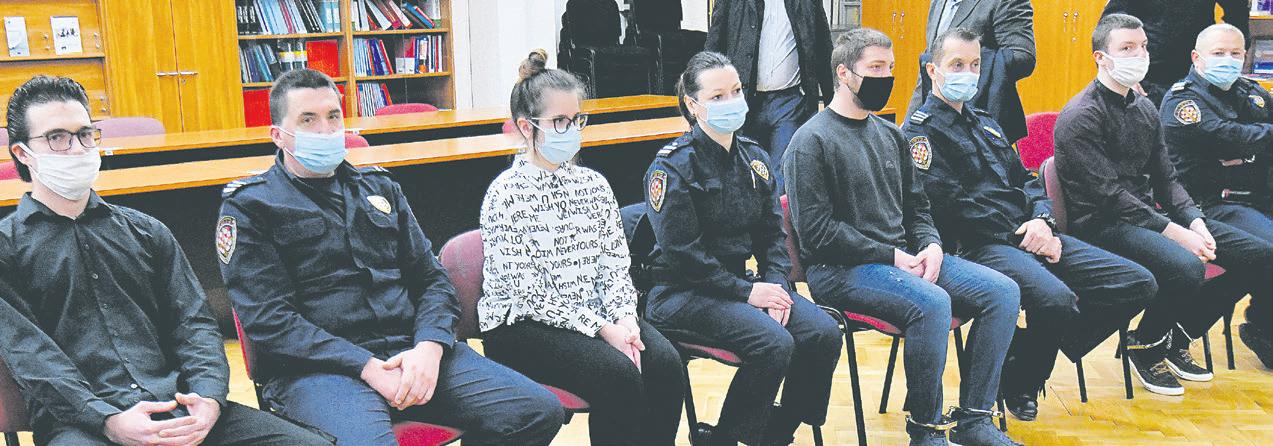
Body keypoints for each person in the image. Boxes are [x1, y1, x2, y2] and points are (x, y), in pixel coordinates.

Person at [217, 68, 564, 445]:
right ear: (278, 135)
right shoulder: (251, 207)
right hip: (320, 371)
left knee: (536, 411)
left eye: (333, 116)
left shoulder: (379, 187)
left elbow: (432, 279)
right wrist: (365, 366)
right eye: (308, 120)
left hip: (410, 348)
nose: (325, 130)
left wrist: (430, 346)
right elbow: (270, 320)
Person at [0, 75, 332, 446]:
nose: (77, 148)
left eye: (85, 134)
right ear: (23, 153)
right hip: (81, 424)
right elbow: (32, 357)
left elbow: (194, 323)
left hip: (179, 405)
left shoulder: (147, 231)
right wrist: (107, 419)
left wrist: (208, 398)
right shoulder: (6, 248)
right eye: (57, 138)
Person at [902, 27, 1157, 422]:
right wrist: (1023, 234)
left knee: (1137, 283)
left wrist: (1042, 220)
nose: (968, 73)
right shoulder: (920, 132)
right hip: (978, 246)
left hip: (1030, 232)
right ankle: (1024, 379)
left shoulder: (985, 121)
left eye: (975, 65)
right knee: (1056, 300)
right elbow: (950, 206)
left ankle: (1021, 359)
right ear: (933, 71)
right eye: (957, 65)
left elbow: (1027, 180)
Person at [784, 28, 1021, 446]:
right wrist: (891, 255)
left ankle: (974, 420)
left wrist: (931, 245)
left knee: (1003, 292)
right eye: (875, 68)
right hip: (840, 270)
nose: (886, 78)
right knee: (933, 302)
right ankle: (926, 431)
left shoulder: (891, 135)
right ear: (844, 73)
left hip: (904, 259)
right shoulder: (810, 142)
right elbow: (818, 234)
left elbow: (918, 208)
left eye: (890, 68)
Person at [1054, 14, 1273, 397]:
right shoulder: (1081, 115)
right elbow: (1109, 195)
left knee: (1257, 255)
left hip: (1147, 215)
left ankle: (1177, 335)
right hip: (1101, 223)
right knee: (1187, 265)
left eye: (1142, 46)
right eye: (1126, 48)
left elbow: (1167, 178)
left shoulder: (1144, 107)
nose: (1139, 55)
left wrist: (1195, 222)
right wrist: (1175, 231)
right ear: (1101, 57)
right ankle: (1146, 344)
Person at [478, 49, 686, 445]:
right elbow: (529, 294)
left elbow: (615, 266)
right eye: (559, 121)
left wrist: (625, 319)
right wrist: (603, 329)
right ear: (525, 126)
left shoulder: (594, 184)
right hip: (523, 326)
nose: (571, 129)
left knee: (665, 365)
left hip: (596, 315)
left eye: (576, 120)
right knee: (618, 375)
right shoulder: (505, 195)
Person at [643, 51, 842, 446]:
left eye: (736, 91)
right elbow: (683, 255)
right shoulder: (672, 167)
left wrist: (776, 286)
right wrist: (748, 292)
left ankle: (776, 430)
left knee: (822, 333)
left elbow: (773, 236)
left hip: (739, 285)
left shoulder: (755, 159)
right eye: (717, 97)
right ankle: (727, 439)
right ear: (692, 106)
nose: (731, 102)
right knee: (773, 343)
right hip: (681, 292)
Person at [1160, 23, 1273, 369]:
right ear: (1197, 58)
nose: (1228, 60)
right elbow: (1225, 135)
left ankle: (1262, 327)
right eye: (1219, 53)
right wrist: (1252, 143)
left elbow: (1246, 142)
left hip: (1254, 199)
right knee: (1264, 254)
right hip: (1203, 206)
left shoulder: (1253, 93)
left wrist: (1250, 144)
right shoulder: (1182, 100)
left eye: (1236, 53)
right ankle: (1183, 331)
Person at [705, 0, 834, 187]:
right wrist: (705, 100)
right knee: (746, 174)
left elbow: (823, 47)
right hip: (743, 102)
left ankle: (778, 205)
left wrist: (833, 105)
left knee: (781, 177)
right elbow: (714, 46)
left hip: (790, 104)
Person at [908, 0, 1035, 143]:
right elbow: (931, 65)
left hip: (983, 128)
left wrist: (967, 63)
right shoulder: (938, 2)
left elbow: (1023, 57)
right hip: (935, 125)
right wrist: (910, 121)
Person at [1102, 0, 1249, 106]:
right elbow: (1111, 23)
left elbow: (1237, 13)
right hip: (1148, 77)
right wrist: (1122, 75)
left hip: (1200, 74)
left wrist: (1232, 58)